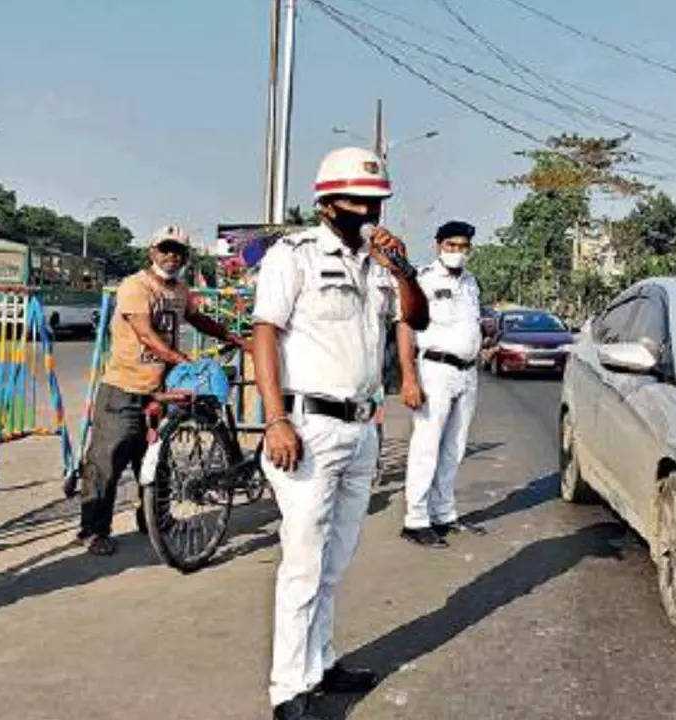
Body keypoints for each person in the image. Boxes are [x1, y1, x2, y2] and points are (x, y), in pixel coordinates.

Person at [252, 147, 429, 720]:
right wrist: (275, 418)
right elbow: (264, 337)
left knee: (336, 558)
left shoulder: (379, 265)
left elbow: (416, 318)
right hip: (307, 427)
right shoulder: (294, 255)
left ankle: (322, 662)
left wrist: (401, 268)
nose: (369, 210)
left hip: (361, 427)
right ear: (327, 203)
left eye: (376, 201)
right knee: (303, 561)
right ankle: (288, 689)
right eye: (357, 201)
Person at [79, 224, 244, 556]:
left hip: (159, 389)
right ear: (152, 252)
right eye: (165, 249)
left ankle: (155, 519)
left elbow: (200, 321)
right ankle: (93, 531)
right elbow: (144, 333)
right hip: (123, 388)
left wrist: (236, 339)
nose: (171, 256)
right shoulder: (135, 287)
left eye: (178, 251)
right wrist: (179, 359)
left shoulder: (179, 290)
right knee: (106, 462)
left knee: (156, 459)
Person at [397, 221, 486, 548]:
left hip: (467, 372)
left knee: (455, 446)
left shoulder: (471, 284)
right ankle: (416, 519)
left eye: (463, 247)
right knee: (427, 445)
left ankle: (444, 513)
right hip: (435, 369)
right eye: (451, 246)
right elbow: (406, 327)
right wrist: (408, 377)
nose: (457, 252)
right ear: (438, 246)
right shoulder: (422, 280)